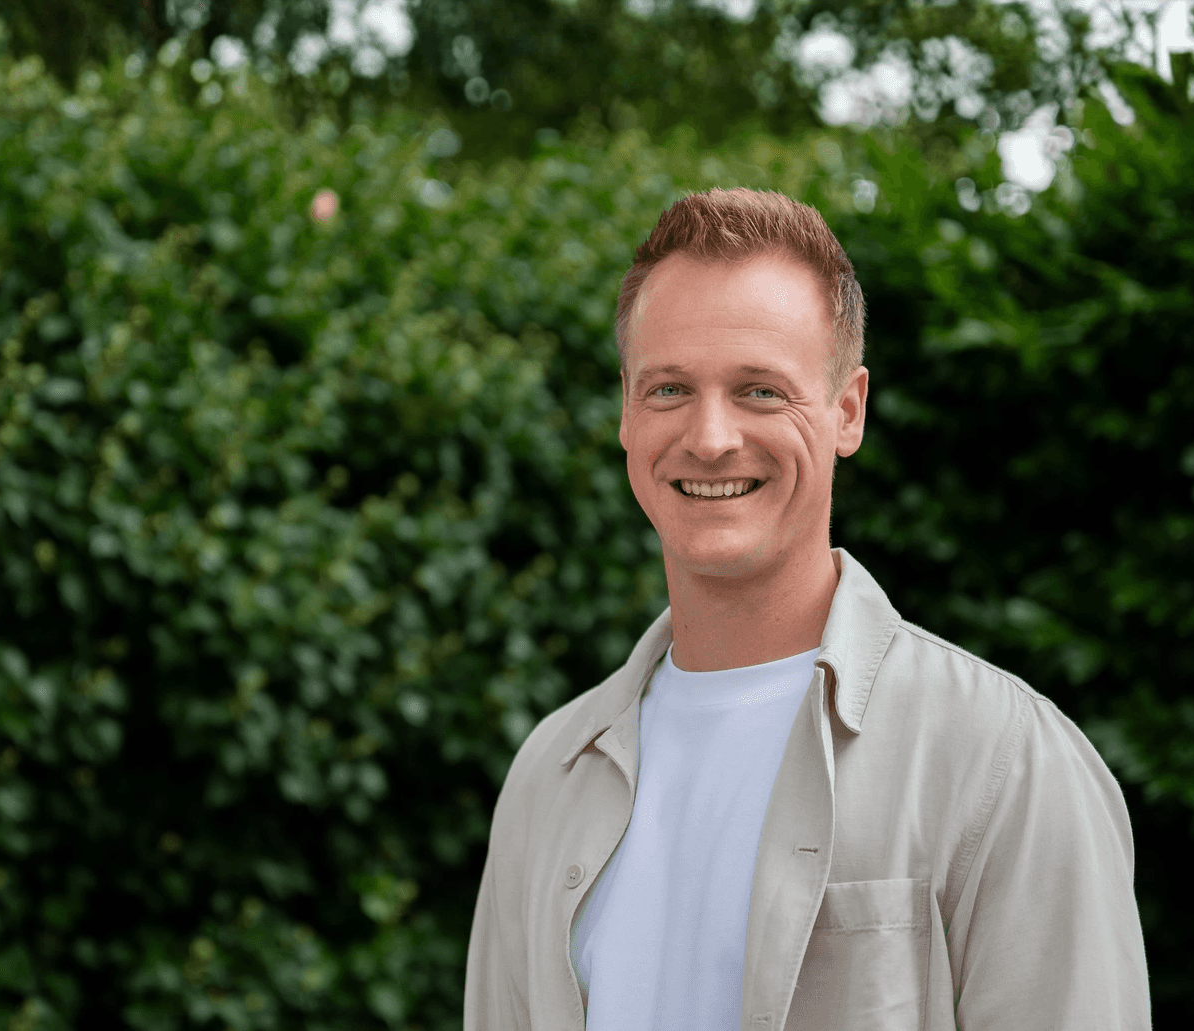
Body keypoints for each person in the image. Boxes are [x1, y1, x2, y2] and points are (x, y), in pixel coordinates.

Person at [463, 189, 1148, 1030]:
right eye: (670, 388)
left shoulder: (1006, 764)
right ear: (626, 412)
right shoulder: (547, 775)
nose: (710, 437)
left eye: (759, 391)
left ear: (847, 411)